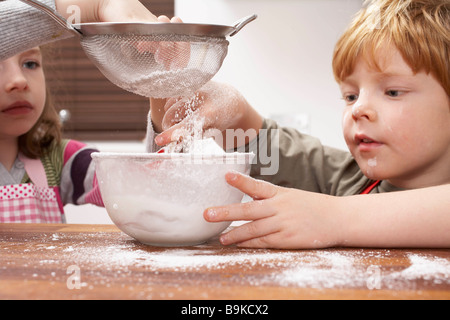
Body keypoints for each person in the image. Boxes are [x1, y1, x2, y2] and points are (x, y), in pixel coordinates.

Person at [149, 0, 450, 248]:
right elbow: (270, 147)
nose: (359, 109)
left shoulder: (340, 202)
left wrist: (333, 218)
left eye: (393, 92)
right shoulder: (350, 180)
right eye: (350, 95)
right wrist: (232, 111)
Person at [0, 0, 162, 222]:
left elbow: (143, 185)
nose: (18, 81)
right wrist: (97, 5)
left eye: (30, 64)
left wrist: (161, 93)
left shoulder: (59, 158)